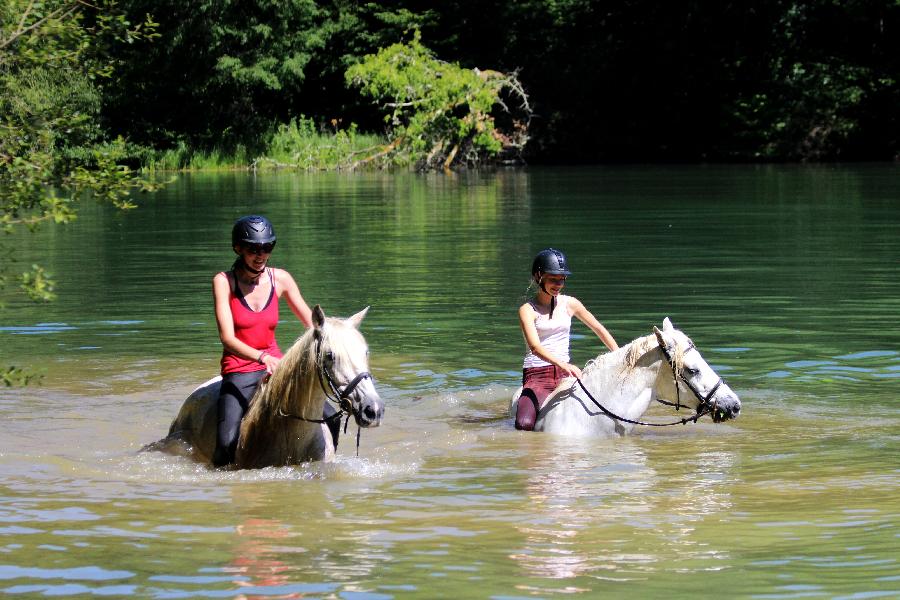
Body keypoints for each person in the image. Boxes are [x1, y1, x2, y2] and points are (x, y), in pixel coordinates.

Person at [212, 215, 334, 467]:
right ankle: (224, 487)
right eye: (254, 249)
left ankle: (323, 466)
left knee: (331, 417)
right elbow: (227, 338)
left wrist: (336, 341)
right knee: (226, 442)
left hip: (277, 366)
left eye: (267, 248)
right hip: (240, 368)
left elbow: (312, 324)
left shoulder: (281, 279)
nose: (261, 255)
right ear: (238, 248)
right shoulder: (224, 282)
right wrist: (261, 357)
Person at [515, 248, 619, 431]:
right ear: (539, 276)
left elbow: (599, 329)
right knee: (524, 424)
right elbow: (535, 347)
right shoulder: (527, 310)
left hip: (566, 376)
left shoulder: (571, 303)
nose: (559, 284)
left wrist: (620, 356)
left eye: (562, 279)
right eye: (553, 279)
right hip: (537, 376)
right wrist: (564, 364)